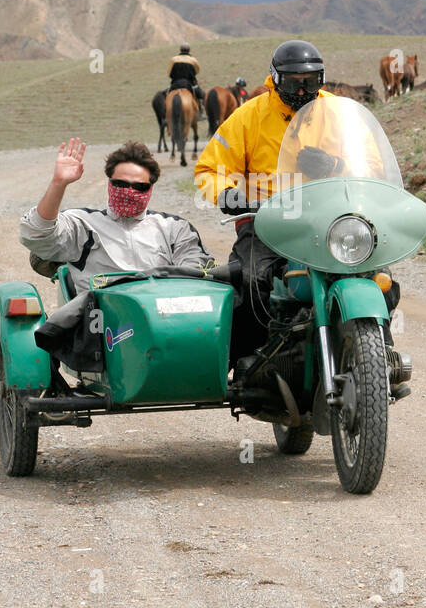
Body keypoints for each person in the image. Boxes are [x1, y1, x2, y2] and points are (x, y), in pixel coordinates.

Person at [195, 40, 354, 366]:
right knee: (251, 279)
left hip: (329, 216)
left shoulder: (338, 113)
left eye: (308, 82)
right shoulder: (249, 115)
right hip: (265, 217)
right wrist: (227, 192)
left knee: (372, 271)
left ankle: (377, 348)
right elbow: (210, 168)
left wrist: (334, 167)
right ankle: (250, 359)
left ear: (320, 79)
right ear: (274, 79)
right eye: (291, 82)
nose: (300, 91)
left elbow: (371, 165)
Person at [21, 138, 212, 295]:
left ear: (150, 188)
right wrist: (58, 183)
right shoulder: (83, 224)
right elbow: (37, 234)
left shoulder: (175, 228)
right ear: (109, 183)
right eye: (120, 184)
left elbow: (196, 272)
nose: (129, 192)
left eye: (139, 187)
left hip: (160, 322)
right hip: (99, 328)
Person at [167, 43, 204, 111]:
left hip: (175, 84)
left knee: (166, 95)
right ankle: (201, 110)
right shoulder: (193, 60)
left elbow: (169, 73)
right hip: (189, 84)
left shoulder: (173, 59)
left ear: (180, 50)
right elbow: (197, 71)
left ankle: (164, 114)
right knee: (201, 94)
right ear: (189, 50)